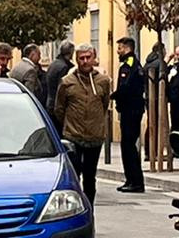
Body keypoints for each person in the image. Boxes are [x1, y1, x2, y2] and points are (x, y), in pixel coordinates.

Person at [53, 43, 111, 206]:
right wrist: (69, 126)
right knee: (74, 175)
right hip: (74, 136)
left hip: (95, 136)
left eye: (88, 57)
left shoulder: (103, 81)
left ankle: (89, 209)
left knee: (90, 176)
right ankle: (74, 209)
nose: (85, 61)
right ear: (76, 60)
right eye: (81, 58)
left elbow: (104, 104)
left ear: (94, 58)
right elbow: (59, 108)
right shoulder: (67, 82)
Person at [113, 36, 147, 193]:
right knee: (128, 145)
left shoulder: (129, 65)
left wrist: (114, 96)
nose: (118, 51)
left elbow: (126, 88)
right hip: (132, 108)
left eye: (120, 48)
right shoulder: (132, 64)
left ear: (127, 48)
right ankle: (132, 180)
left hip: (131, 109)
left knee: (128, 146)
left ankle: (135, 181)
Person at [44, 40, 75, 125]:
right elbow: (62, 88)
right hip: (56, 106)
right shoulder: (64, 67)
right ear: (71, 52)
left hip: (49, 103)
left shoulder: (53, 64)